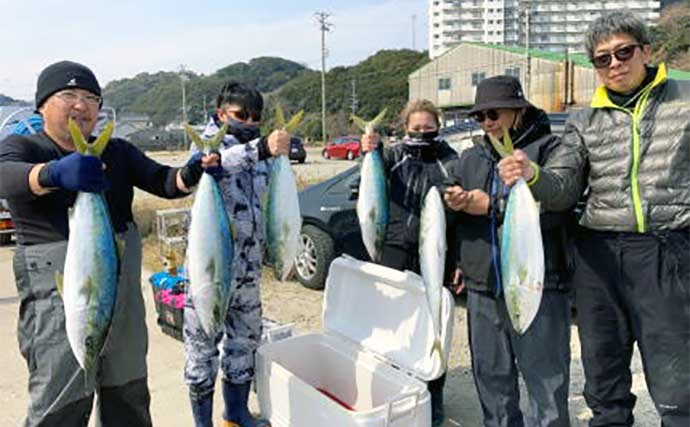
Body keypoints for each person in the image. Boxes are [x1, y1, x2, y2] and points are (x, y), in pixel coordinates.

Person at [498, 11, 689, 427]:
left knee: (678, 383)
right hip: (598, 256)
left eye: (624, 52)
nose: (615, 64)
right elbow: (563, 188)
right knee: (604, 380)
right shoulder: (584, 121)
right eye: (603, 59)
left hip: (667, 251)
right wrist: (531, 175)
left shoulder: (685, 102)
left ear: (646, 51)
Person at [0, 60, 217, 426]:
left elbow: (163, 181)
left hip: (122, 297)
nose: (81, 105)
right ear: (42, 105)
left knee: (129, 391)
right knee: (60, 399)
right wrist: (53, 173)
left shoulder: (117, 152)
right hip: (59, 297)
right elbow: (7, 178)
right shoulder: (23, 146)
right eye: (68, 95)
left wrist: (192, 171)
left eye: (90, 98)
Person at [443, 75, 574, 427]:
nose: (487, 122)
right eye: (480, 116)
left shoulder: (550, 149)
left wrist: (494, 203)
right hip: (483, 287)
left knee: (545, 381)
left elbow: (562, 205)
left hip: (539, 286)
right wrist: (457, 203)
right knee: (491, 378)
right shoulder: (469, 158)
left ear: (519, 110)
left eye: (494, 113)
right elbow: (463, 218)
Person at [183, 81, 290, 427]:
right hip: (208, 271)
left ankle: (237, 413)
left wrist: (287, 154)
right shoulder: (207, 148)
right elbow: (208, 165)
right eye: (241, 115)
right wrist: (261, 147)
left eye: (256, 117)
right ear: (220, 114)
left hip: (248, 272)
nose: (249, 121)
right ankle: (203, 423)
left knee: (245, 343)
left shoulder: (261, 153)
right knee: (201, 349)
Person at [360, 99, 458, 427]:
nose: (422, 133)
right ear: (405, 129)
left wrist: (457, 259)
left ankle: (433, 394)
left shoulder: (450, 159)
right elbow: (370, 186)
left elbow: (457, 217)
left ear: (438, 127)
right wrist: (370, 148)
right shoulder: (391, 156)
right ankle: (397, 393)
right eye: (415, 128)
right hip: (395, 250)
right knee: (395, 325)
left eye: (428, 128)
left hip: (436, 252)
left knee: (434, 325)